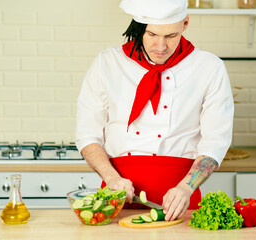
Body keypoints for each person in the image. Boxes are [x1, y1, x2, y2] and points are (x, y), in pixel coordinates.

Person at [75, 0, 234, 221]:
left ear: (185, 23)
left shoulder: (209, 67)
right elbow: (87, 135)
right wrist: (112, 179)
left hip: (182, 202)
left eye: (171, 36)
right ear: (139, 26)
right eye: (152, 35)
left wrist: (186, 188)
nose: (161, 47)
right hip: (117, 198)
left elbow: (216, 141)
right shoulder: (107, 63)